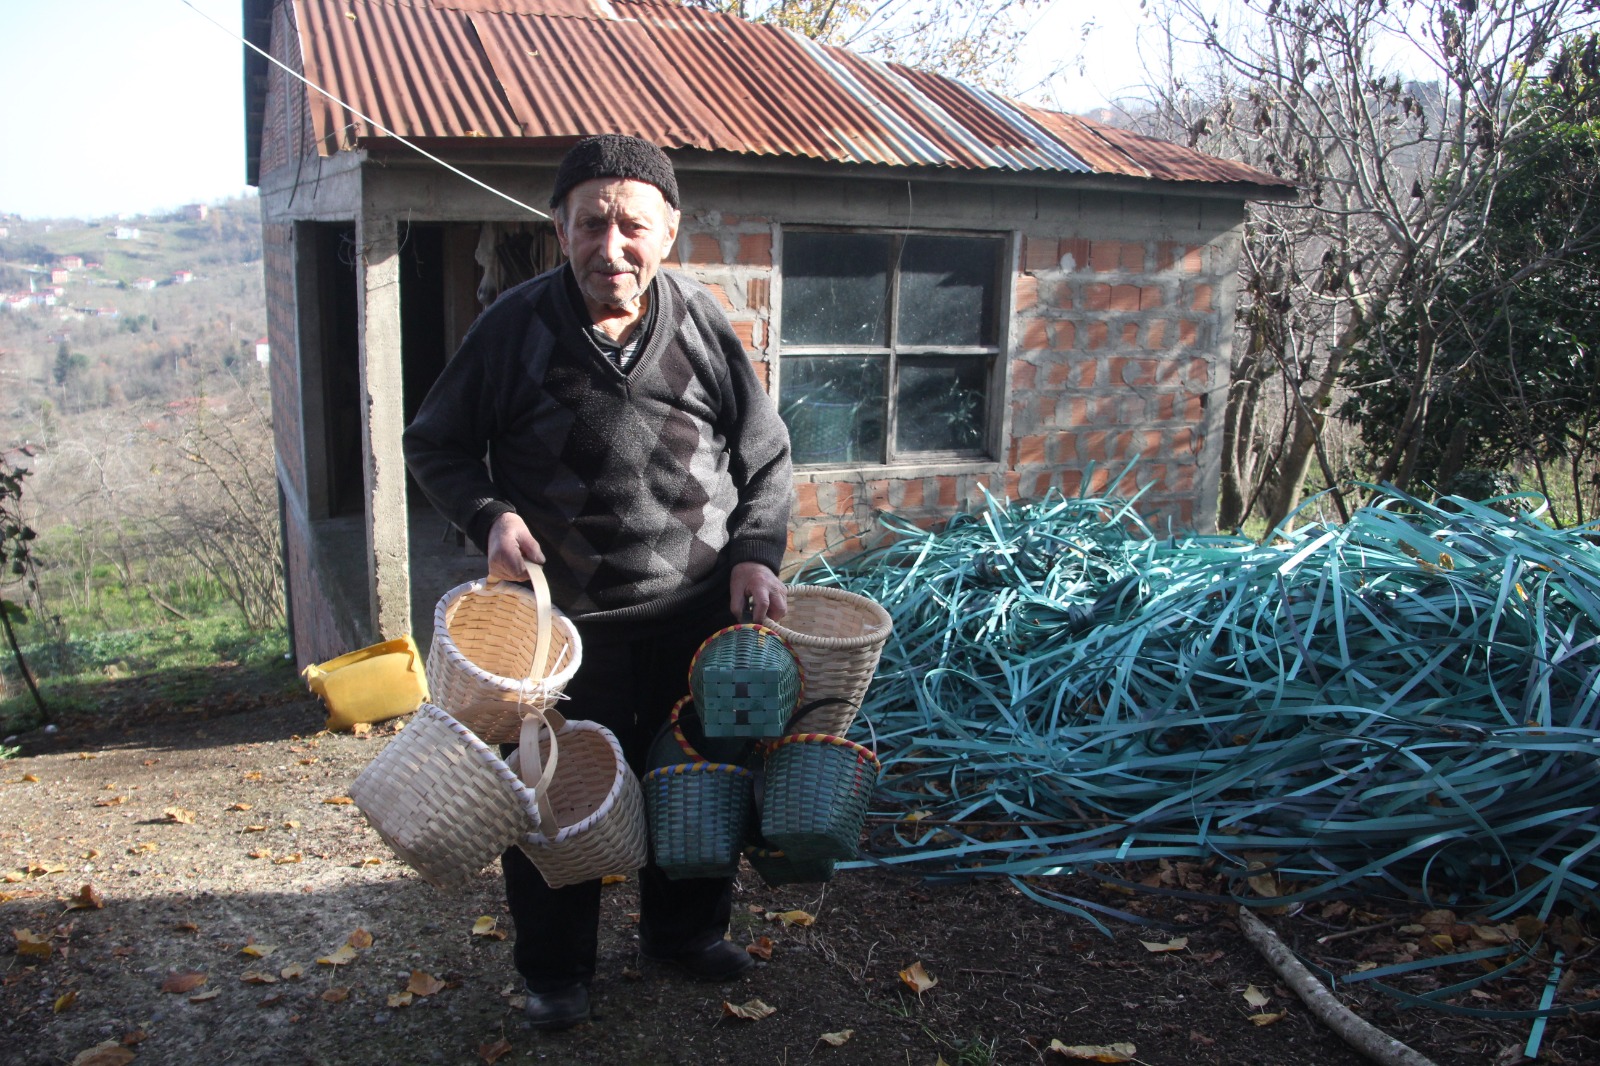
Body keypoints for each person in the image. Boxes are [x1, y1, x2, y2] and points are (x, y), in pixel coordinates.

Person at [403, 134, 794, 1029]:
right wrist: (490, 514)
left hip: (693, 618)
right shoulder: (512, 328)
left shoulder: (699, 319)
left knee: (697, 783)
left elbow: (766, 455)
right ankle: (555, 971)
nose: (609, 247)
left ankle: (685, 935)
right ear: (558, 227)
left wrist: (754, 553)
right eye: (590, 224)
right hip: (561, 633)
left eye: (631, 227)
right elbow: (435, 442)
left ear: (669, 232)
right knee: (550, 801)